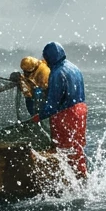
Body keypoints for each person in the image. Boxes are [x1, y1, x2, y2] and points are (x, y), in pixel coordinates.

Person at [31, 41, 88, 179]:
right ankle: (82, 174)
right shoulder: (73, 67)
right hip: (81, 109)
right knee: (77, 145)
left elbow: (53, 103)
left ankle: (66, 179)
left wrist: (40, 116)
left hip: (66, 113)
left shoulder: (57, 73)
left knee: (62, 147)